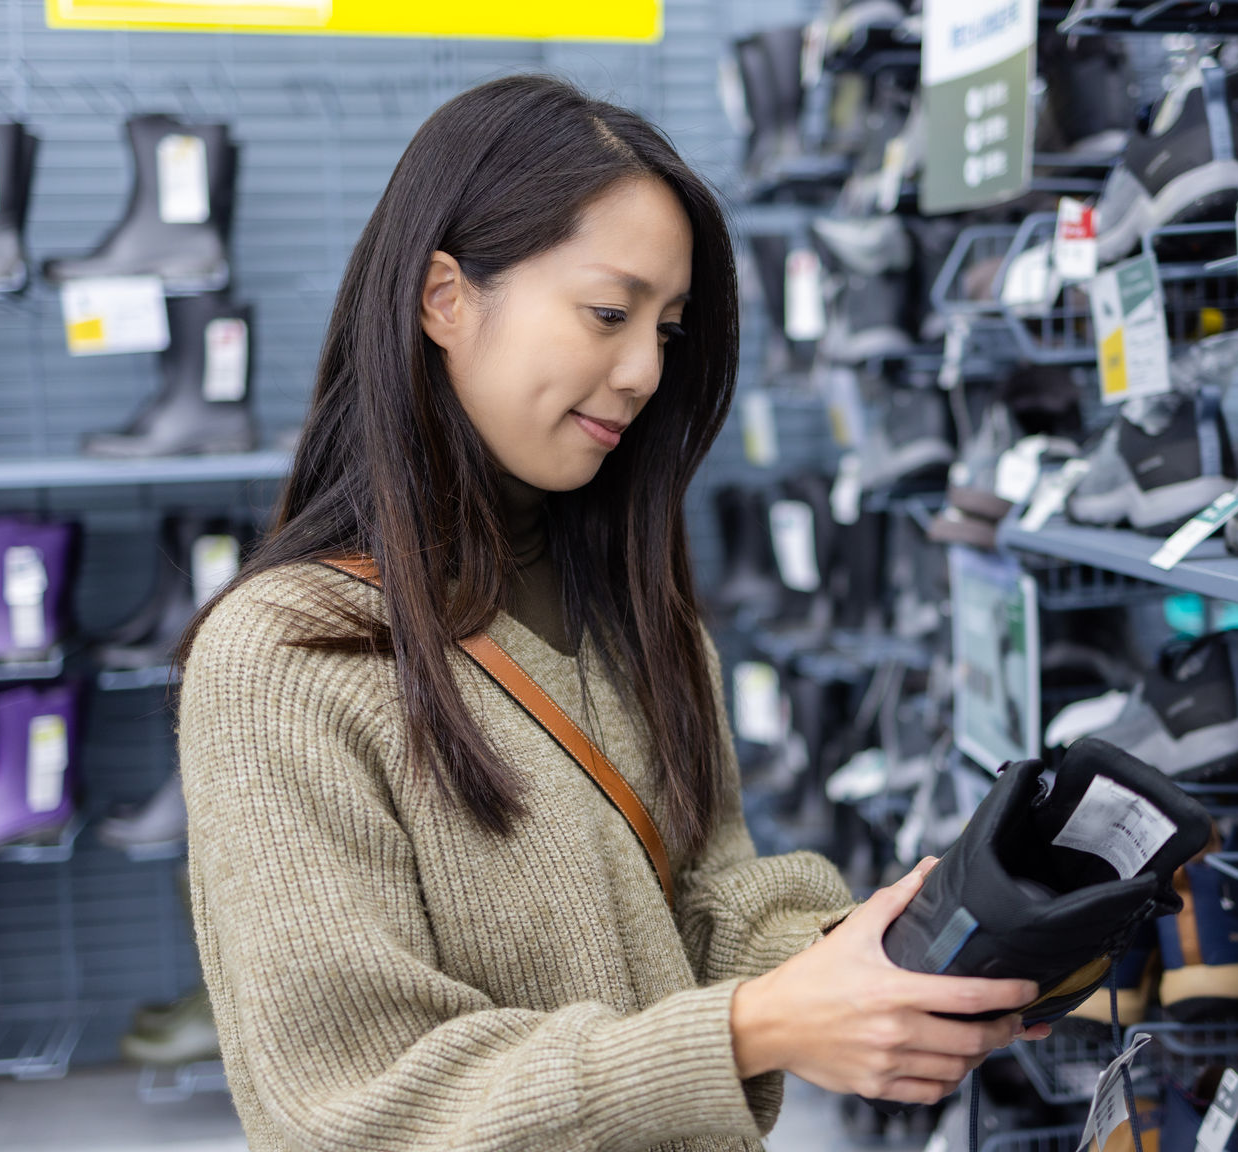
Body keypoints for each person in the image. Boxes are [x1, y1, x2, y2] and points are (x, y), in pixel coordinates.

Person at [175, 75, 1047, 1152]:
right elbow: (352, 1112)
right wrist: (743, 1031)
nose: (641, 372)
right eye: (605, 313)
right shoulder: (286, 657)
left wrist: (874, 957)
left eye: (668, 333)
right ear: (443, 297)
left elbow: (710, 897)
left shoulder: (639, 613)